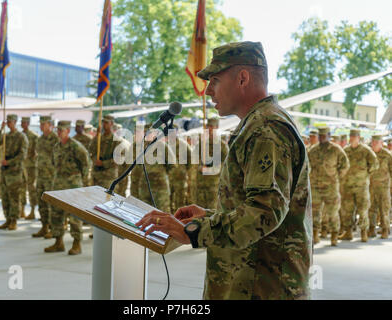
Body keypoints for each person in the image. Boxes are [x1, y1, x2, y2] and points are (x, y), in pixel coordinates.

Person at [136, 41, 312, 300]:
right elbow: (258, 206)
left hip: (262, 286)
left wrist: (194, 232)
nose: (208, 91)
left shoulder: (266, 128)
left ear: (242, 78)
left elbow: (266, 211)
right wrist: (207, 217)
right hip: (249, 279)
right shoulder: (257, 123)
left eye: (215, 80)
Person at [44, 121, 89, 255]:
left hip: (73, 184)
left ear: (68, 131)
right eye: (58, 130)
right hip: (58, 184)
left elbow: (86, 164)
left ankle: (76, 243)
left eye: (61, 130)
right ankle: (58, 242)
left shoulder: (76, 146)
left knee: (75, 215)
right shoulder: (57, 147)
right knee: (56, 213)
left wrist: (80, 181)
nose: (59, 133)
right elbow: (54, 164)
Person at [308, 127, 349, 246]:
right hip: (315, 186)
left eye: (324, 135)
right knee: (315, 212)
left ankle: (334, 235)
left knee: (333, 212)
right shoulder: (313, 150)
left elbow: (345, 165)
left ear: (329, 135)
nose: (321, 138)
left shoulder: (336, 150)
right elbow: (308, 165)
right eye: (320, 136)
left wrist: (337, 177)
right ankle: (315, 234)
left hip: (331, 187)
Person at [339, 129, 378, 242]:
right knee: (348, 210)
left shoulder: (366, 150)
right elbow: (341, 164)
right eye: (350, 136)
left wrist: (366, 173)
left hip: (361, 186)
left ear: (358, 137)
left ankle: (363, 233)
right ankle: (348, 232)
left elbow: (375, 164)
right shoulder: (346, 150)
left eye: (354, 136)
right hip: (348, 186)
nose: (352, 138)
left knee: (363, 210)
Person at [0, 114, 28, 231]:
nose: (8, 123)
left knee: (14, 197)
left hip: (14, 170)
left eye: (10, 121)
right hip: (5, 171)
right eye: (7, 121)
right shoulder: (6, 136)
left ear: (15, 122)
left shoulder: (21, 137)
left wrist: (9, 162)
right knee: (5, 196)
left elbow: (22, 155)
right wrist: (1, 128)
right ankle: (7, 219)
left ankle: (14, 220)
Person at [32, 116, 59, 239]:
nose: (41, 126)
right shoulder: (40, 139)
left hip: (51, 176)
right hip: (41, 175)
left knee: (51, 204)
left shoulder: (56, 139)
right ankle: (44, 226)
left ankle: (54, 228)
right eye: (41, 124)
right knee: (41, 202)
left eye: (44, 124)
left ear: (50, 125)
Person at [194, 117, 228, 210]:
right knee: (199, 210)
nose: (210, 129)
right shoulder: (201, 144)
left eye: (212, 126)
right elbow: (194, 161)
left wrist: (209, 170)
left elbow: (226, 165)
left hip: (214, 185)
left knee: (213, 210)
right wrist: (199, 167)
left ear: (217, 127)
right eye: (208, 126)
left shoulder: (222, 146)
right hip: (201, 184)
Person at [368, 135, 391, 239]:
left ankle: (385, 229)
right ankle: (371, 229)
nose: (374, 144)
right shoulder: (369, 154)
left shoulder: (387, 155)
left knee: (384, 209)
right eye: (373, 142)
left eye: (377, 142)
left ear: (381, 143)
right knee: (371, 208)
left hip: (383, 187)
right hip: (371, 186)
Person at [21, 117, 39, 220]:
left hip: (31, 166)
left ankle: (32, 210)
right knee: (21, 188)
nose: (24, 124)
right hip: (21, 165)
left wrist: (32, 156)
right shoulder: (20, 135)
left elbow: (37, 152)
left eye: (25, 122)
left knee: (31, 188)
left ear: (28, 123)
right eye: (22, 122)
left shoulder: (33, 136)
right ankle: (22, 209)